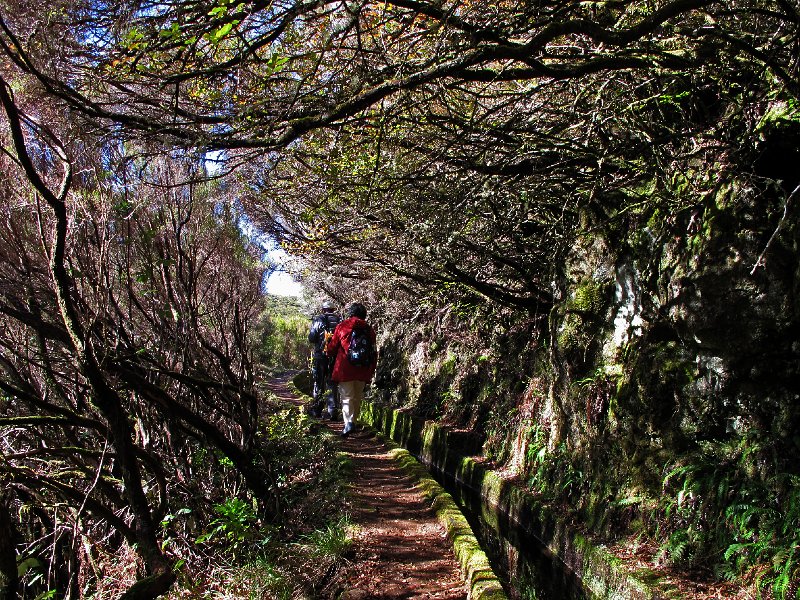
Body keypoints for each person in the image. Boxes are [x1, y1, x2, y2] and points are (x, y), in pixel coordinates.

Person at [325, 302, 377, 437]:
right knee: (357, 397)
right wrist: (372, 370)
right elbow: (373, 351)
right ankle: (353, 422)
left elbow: (332, 348)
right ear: (364, 314)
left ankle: (348, 423)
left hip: (345, 369)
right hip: (363, 369)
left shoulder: (342, 326)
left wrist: (327, 350)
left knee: (347, 397)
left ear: (351, 313)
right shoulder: (369, 329)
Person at [308, 300, 341, 419]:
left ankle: (317, 410)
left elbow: (312, 338)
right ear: (333, 309)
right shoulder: (339, 321)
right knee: (332, 383)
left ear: (323, 309)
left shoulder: (318, 319)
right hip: (334, 357)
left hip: (320, 356)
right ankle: (333, 412)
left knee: (319, 382)